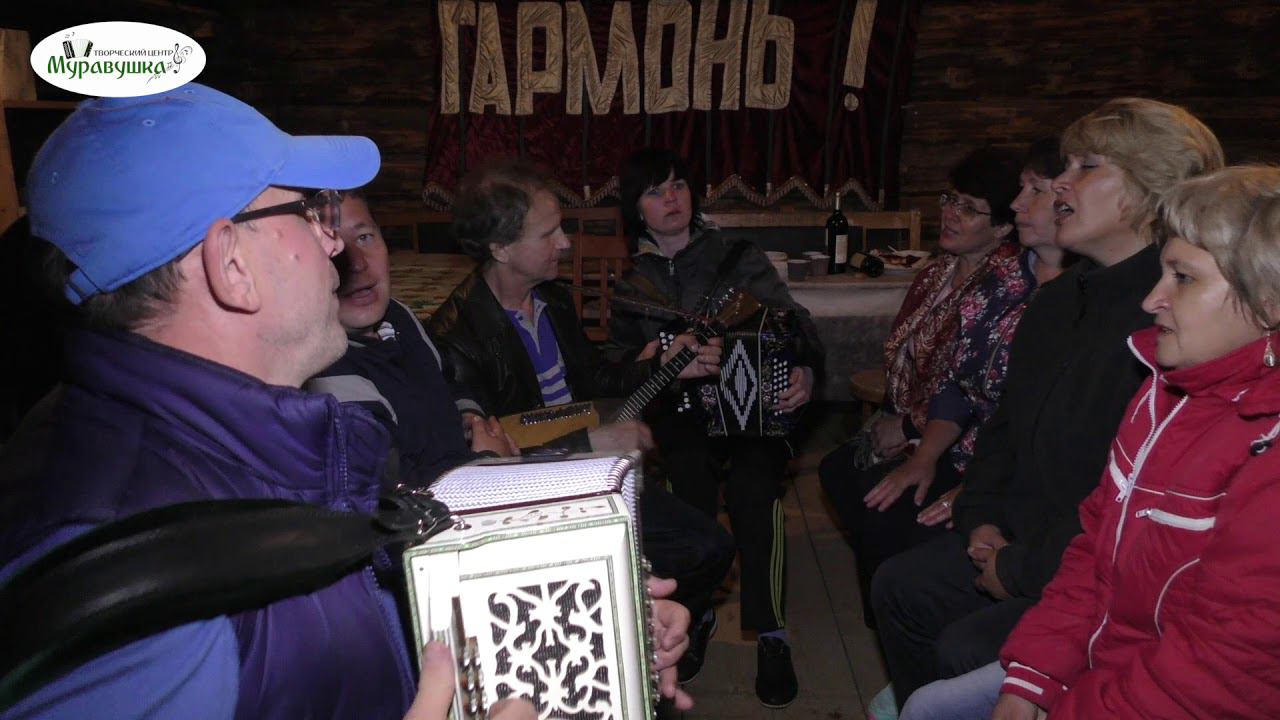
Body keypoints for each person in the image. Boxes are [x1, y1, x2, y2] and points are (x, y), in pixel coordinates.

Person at [0, 83, 436, 718]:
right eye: (311, 211)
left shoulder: (243, 456)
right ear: (232, 264)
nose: (334, 243)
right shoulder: (129, 587)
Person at [870, 98, 1224, 714]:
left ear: (1150, 190)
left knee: (965, 647)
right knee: (901, 586)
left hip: (1091, 564)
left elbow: (1122, 498)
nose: (1061, 182)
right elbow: (1003, 428)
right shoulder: (1060, 301)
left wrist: (1019, 567)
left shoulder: (1169, 319)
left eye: (1087, 167)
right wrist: (980, 517)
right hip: (1021, 536)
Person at [428, 159, 734, 685]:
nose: (566, 243)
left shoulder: (551, 298)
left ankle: (648, 624)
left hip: (588, 472)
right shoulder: (456, 336)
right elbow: (481, 470)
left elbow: (592, 379)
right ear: (501, 248)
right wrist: (587, 442)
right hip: (535, 499)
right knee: (693, 549)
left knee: (712, 546)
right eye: (549, 233)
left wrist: (661, 363)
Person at [607, 147, 823, 708]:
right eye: (655, 191)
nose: (671, 198)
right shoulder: (634, 284)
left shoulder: (738, 256)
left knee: (755, 490)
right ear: (636, 209)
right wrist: (660, 358)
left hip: (752, 415)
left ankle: (771, 633)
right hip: (680, 417)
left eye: (678, 185)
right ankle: (693, 614)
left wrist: (805, 368)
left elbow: (795, 323)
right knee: (689, 489)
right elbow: (616, 372)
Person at [819, 147, 1039, 633]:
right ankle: (883, 597)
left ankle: (896, 606)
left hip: (967, 442)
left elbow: (979, 387)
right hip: (916, 419)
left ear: (1003, 227)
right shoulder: (936, 272)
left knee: (880, 506)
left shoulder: (1008, 285)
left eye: (969, 208)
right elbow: (907, 355)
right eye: (950, 200)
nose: (951, 214)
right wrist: (895, 417)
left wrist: (912, 428)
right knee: (838, 470)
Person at [307, 189, 517, 489]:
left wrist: (469, 417)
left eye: (364, 237)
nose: (357, 264)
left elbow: (445, 381)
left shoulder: (398, 316)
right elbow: (396, 495)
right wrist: (487, 463)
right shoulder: (328, 372)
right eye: (331, 248)